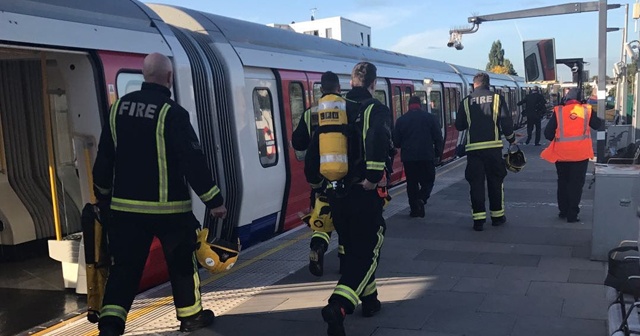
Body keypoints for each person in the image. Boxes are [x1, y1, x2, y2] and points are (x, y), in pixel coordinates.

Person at [92, 53, 227, 336]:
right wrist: (213, 200)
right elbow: (192, 159)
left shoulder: (117, 109)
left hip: (125, 211)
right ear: (169, 78)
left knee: (124, 271)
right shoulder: (172, 112)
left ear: (144, 75)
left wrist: (102, 197)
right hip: (170, 211)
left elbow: (104, 158)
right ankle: (190, 318)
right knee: (181, 265)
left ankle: (110, 326)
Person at [305, 62, 391, 336]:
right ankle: (338, 306)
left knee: (354, 250)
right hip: (363, 193)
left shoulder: (328, 110)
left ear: (350, 82)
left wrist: (319, 184)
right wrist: (374, 177)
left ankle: (371, 301)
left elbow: (306, 148)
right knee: (369, 251)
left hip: (336, 194)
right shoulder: (374, 109)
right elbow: (377, 140)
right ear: (373, 84)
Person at [292, 71, 344, 277]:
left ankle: (318, 247)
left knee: (322, 218)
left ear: (321, 90)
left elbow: (298, 143)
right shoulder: (347, 108)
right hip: (344, 175)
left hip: (320, 178)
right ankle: (344, 262)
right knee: (345, 223)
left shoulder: (310, 113)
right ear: (339, 88)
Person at [455, 72, 516, 232]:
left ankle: (478, 220)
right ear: (488, 84)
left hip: (473, 150)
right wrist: (511, 139)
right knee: (496, 181)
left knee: (476, 184)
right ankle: (497, 217)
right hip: (493, 148)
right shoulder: (497, 99)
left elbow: (459, 125)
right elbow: (506, 123)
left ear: (474, 84)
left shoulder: (466, 102)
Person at [541, 87, 602, 223]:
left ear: (565, 99)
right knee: (576, 185)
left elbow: (548, 134)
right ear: (581, 99)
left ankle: (563, 211)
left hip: (562, 155)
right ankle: (572, 215)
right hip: (580, 155)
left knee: (563, 182)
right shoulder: (586, 110)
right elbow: (598, 125)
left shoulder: (559, 111)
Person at [392, 95, 443, 217]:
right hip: (426, 155)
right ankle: (422, 198)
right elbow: (438, 138)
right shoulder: (430, 118)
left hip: (409, 158)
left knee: (412, 183)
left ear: (408, 105)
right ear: (420, 105)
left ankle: (414, 210)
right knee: (429, 180)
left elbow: (396, 142)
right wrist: (437, 153)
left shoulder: (401, 120)